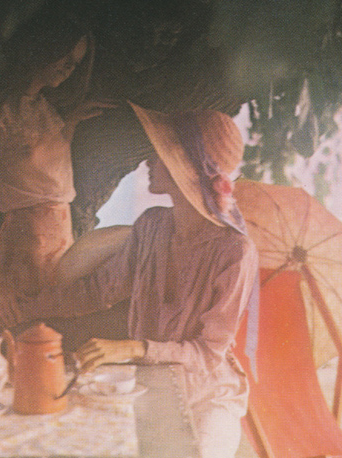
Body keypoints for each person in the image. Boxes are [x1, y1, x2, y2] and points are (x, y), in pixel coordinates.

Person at [57, 102, 259, 458]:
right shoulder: (151, 225)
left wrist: (133, 348)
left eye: (161, 153)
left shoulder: (235, 252)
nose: (148, 161)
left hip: (207, 398)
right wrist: (24, 307)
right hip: (145, 387)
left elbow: (207, 354)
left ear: (190, 170)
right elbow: (98, 290)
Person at [0, 10, 108, 331]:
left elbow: (45, 167)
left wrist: (69, 124)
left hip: (61, 239)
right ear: (42, 47)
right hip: (24, 246)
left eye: (75, 62)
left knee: (56, 336)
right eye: (65, 57)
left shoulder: (43, 107)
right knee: (21, 335)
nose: (70, 68)